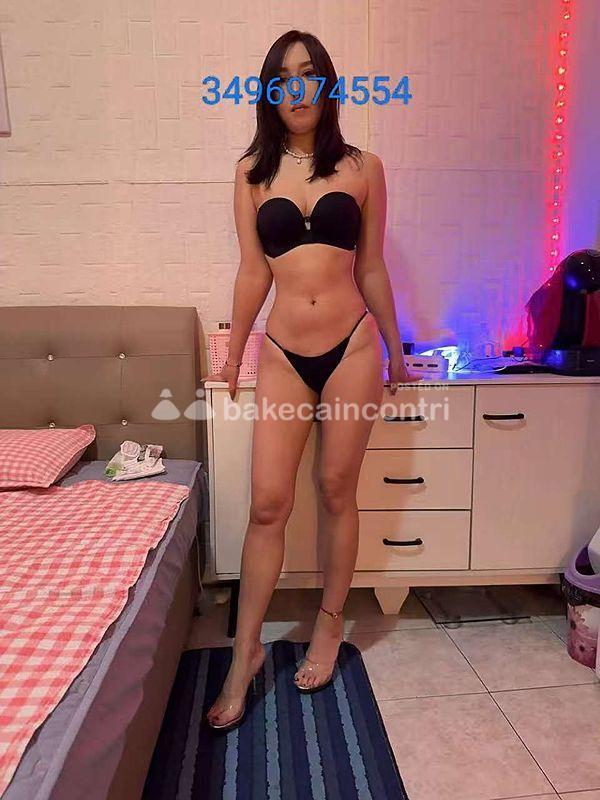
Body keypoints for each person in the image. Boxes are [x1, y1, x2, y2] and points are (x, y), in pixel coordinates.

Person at [205, 30, 420, 730]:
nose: (296, 88)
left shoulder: (363, 167)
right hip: (282, 353)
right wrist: (233, 356)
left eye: (309, 74)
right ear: (270, 92)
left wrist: (395, 348)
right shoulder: (251, 172)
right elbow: (252, 272)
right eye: (283, 77)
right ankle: (245, 654)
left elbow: (372, 266)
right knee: (269, 504)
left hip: (352, 346)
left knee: (335, 490)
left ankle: (330, 627)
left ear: (327, 85)